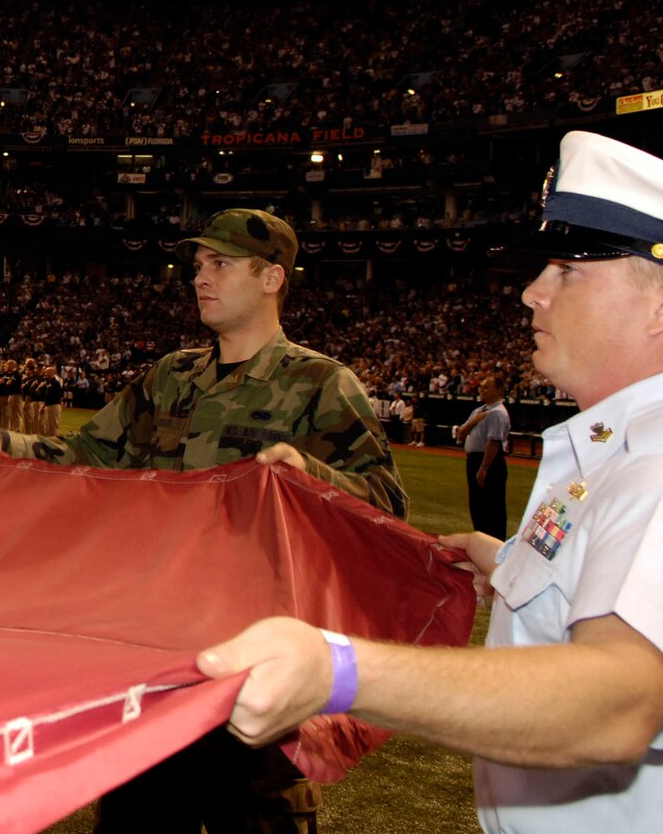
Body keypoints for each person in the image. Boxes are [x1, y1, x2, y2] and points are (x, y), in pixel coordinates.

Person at [197, 130, 663, 834]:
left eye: (568, 270)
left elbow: (622, 703)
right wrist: (512, 564)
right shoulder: (613, 445)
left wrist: (338, 672)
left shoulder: (653, 457)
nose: (532, 292)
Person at [0, 207, 405, 833]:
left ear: (272, 278)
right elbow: (90, 455)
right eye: (197, 265)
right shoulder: (171, 377)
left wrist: (309, 475)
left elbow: (385, 507)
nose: (200, 277)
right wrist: (0, 444)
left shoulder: (320, 384)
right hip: (156, 665)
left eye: (220, 264)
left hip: (257, 677)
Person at [455, 375, 512, 540]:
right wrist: (473, 421)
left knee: (491, 508)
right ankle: (482, 541)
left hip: (488, 462)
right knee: (477, 506)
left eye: (486, 387)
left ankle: (493, 544)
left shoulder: (497, 413)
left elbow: (493, 443)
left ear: (499, 390)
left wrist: (484, 468)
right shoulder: (478, 411)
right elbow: (460, 435)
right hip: (473, 460)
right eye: (481, 387)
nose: (482, 390)